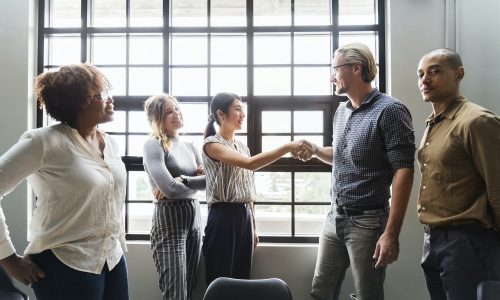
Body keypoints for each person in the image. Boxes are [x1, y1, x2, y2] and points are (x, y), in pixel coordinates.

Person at [296, 43, 415, 300]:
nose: (331, 76)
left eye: (335, 69)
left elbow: (404, 171)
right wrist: (316, 149)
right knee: (320, 293)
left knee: (367, 296)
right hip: (334, 218)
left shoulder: (390, 110)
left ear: (356, 68)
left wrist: (391, 233)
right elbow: (342, 155)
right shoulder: (342, 110)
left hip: (368, 222)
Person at [0, 64, 129, 299]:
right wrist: (8, 260)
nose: (110, 99)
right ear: (77, 102)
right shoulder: (44, 141)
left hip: (111, 257)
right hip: (65, 261)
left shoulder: (110, 143)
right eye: (99, 95)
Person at [416, 48, 500, 300]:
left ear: (459, 74)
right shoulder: (434, 123)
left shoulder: (477, 121)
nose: (425, 80)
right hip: (433, 239)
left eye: (435, 71)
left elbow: (498, 188)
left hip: (467, 241)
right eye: (420, 74)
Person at [202, 92, 302, 285]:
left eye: (243, 110)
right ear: (221, 115)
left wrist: (253, 226)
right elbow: (250, 164)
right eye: (237, 109)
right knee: (220, 280)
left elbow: (248, 188)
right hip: (223, 217)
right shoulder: (212, 144)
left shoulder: (241, 146)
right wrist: (287, 147)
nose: (243, 114)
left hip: (244, 217)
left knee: (241, 278)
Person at [143, 94, 206, 300]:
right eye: (169, 111)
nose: (176, 114)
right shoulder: (153, 145)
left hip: (194, 216)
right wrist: (190, 181)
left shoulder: (190, 145)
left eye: (177, 109)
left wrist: (183, 180)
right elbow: (169, 190)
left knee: (190, 287)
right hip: (168, 218)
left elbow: (208, 183)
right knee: (176, 292)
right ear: (157, 118)